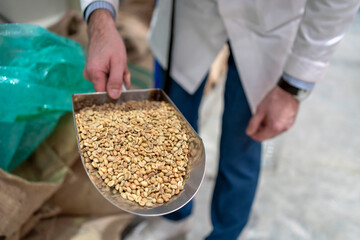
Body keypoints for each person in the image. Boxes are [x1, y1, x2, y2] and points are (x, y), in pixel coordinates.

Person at [80, 0, 360, 239]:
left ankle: (227, 232)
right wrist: (100, 18)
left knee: (244, 140)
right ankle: (174, 217)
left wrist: (294, 84)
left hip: (269, 21)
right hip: (189, 14)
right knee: (168, 129)